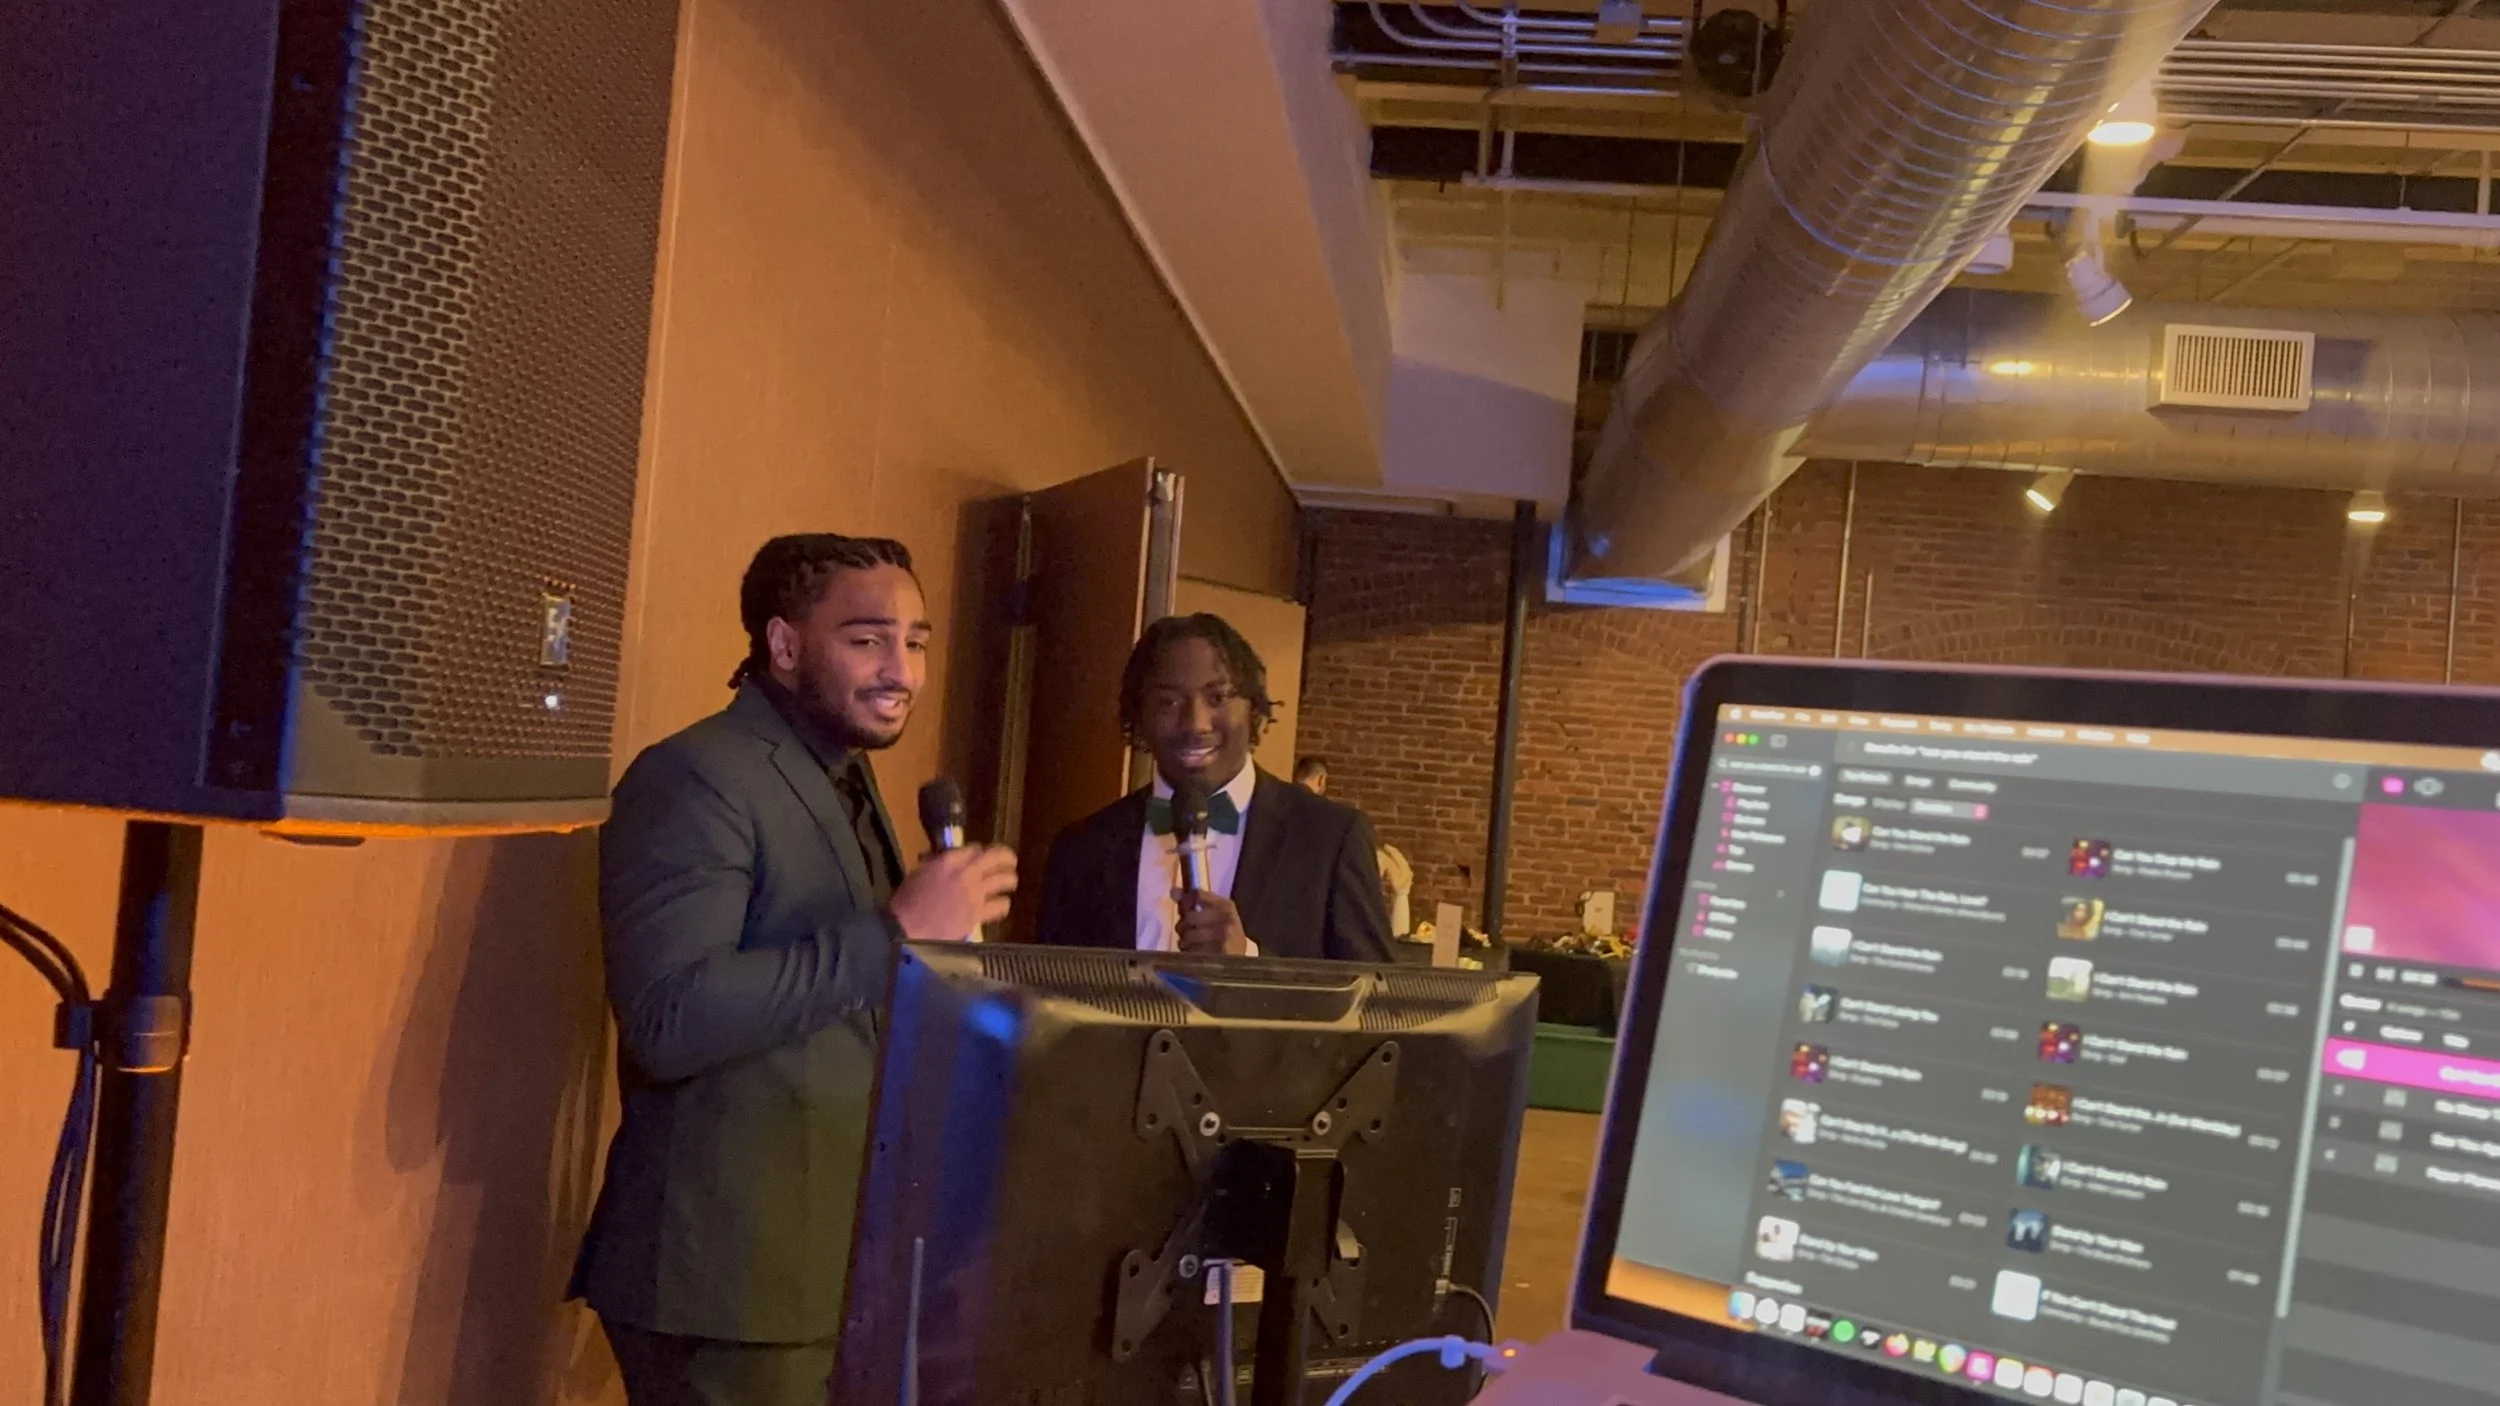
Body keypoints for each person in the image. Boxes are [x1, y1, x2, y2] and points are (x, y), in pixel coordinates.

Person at [571, 534, 1018, 1406]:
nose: (903, 671)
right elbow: (670, 1017)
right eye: (867, 640)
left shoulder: (840, 774)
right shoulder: (698, 775)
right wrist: (893, 932)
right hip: (731, 1286)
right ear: (783, 645)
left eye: (917, 642)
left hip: (833, 1273)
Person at [1036, 614, 1392, 960]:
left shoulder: (1330, 839)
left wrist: (1249, 960)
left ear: (1253, 708)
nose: (1196, 723)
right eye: (1168, 701)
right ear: (1139, 716)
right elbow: (1050, 1000)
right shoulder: (1083, 850)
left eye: (1217, 698)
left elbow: (1378, 1007)